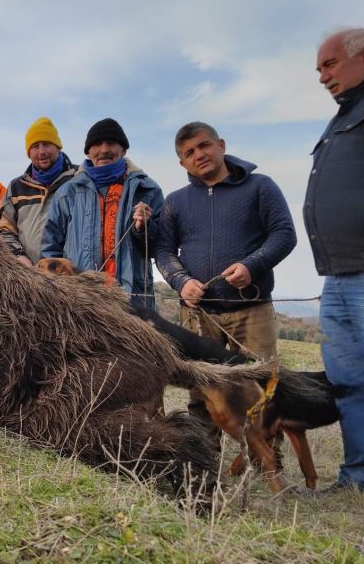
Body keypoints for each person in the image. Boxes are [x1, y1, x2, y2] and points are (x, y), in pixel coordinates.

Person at [155, 121, 296, 360]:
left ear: (221, 145)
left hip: (252, 309)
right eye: (189, 152)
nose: (199, 155)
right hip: (197, 314)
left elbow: (284, 234)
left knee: (259, 386)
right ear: (182, 163)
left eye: (204, 145)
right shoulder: (175, 201)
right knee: (203, 390)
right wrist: (182, 283)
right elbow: (163, 250)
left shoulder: (260, 186)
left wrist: (251, 266)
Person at [307, 27, 364, 492]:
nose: (323, 76)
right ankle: (358, 476)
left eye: (331, 64)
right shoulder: (340, 120)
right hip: (338, 278)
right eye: (320, 69)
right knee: (347, 381)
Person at [41, 118, 163, 307]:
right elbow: (50, 249)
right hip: (79, 302)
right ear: (88, 152)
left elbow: (161, 248)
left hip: (133, 301)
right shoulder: (67, 193)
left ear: (123, 150)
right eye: (97, 144)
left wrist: (144, 228)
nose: (104, 149)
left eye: (111, 143)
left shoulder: (147, 190)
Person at [0, 117, 77, 265]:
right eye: (35, 146)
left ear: (58, 146)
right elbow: (4, 231)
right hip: (31, 277)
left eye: (46, 144)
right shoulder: (16, 186)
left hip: (74, 276)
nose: (41, 152)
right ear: (28, 152)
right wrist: (19, 258)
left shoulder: (79, 179)